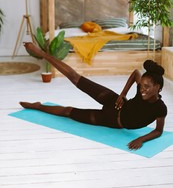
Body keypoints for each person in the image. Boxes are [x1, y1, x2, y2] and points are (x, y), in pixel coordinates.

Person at [20, 42, 167, 150]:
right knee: (75, 78)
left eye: (147, 87)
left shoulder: (160, 108)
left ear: (158, 87)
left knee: (68, 112)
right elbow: (136, 73)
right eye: (141, 85)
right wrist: (122, 94)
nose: (142, 89)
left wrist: (141, 139)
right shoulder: (141, 89)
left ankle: (38, 106)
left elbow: (158, 131)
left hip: (110, 120)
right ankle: (41, 53)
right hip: (114, 101)